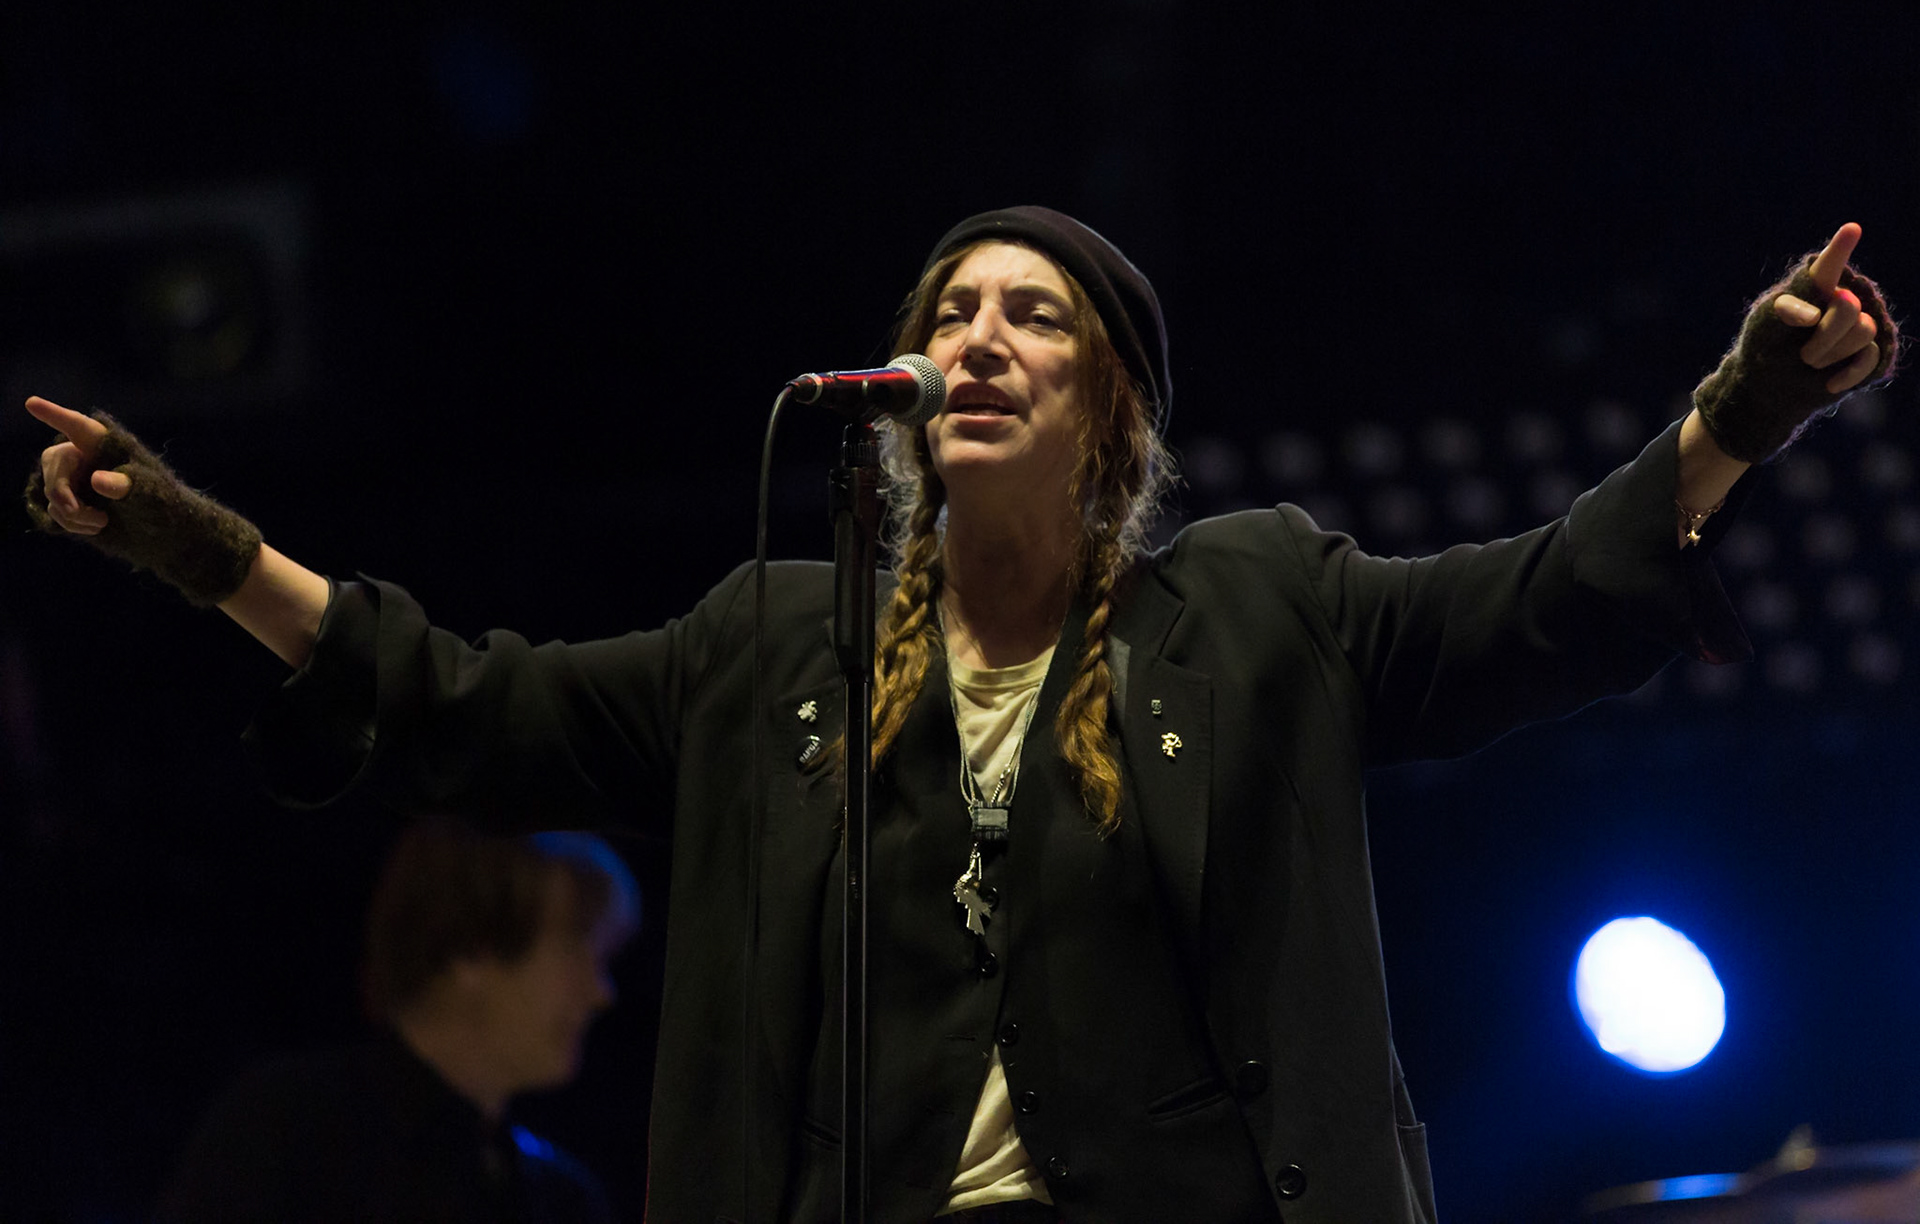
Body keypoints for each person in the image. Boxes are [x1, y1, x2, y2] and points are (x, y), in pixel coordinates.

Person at [24, 207, 1897, 1222]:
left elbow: (1544, 602)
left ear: (1115, 410)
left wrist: (1745, 408)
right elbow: (465, 707)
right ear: (908, 393)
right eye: (953, 311)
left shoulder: (1254, 611)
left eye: (1035, 314)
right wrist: (204, 552)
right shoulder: (778, 653)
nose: (981, 336)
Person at [153, 816, 638, 1224]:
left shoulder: (561, 1198)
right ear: (471, 947)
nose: (601, 993)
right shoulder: (285, 1131)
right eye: (577, 950)